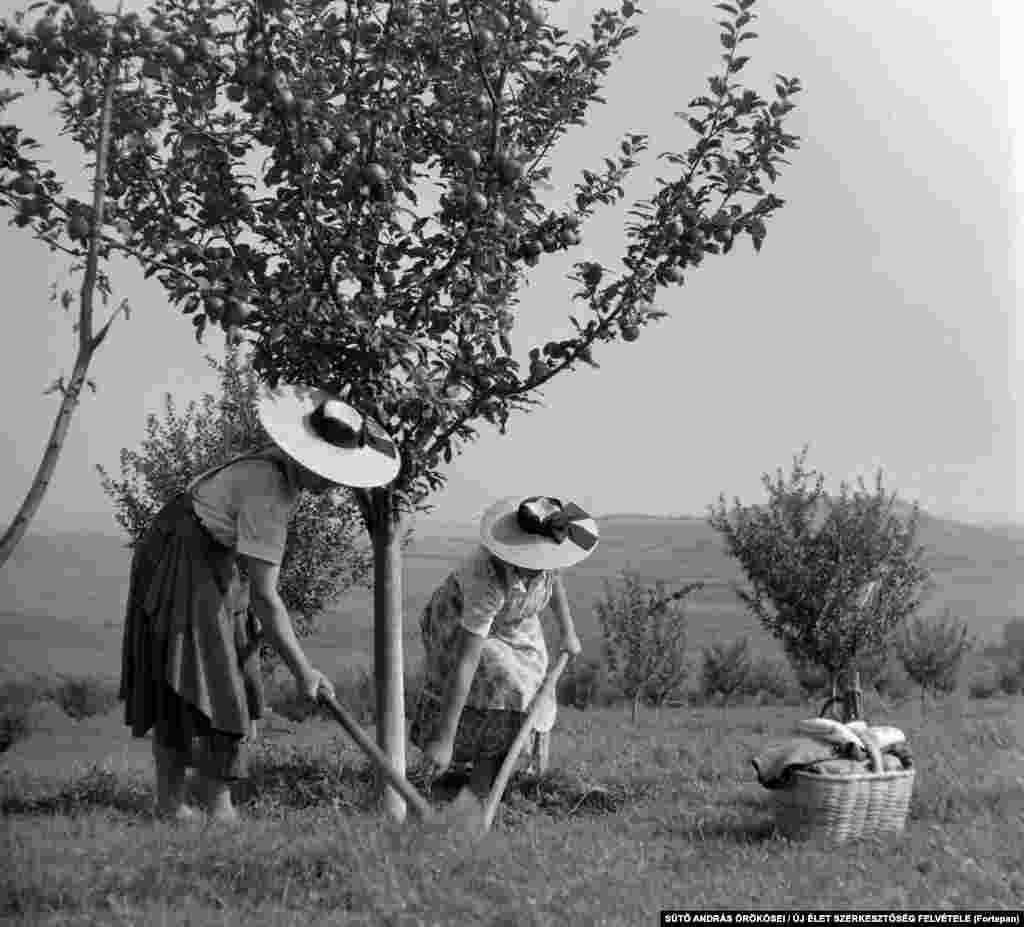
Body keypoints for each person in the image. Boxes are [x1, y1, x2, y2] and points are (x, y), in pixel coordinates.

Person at [119, 383, 400, 823]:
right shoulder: (269, 490)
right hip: (183, 561)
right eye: (330, 472)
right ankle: (197, 808)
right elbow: (267, 599)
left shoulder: (275, 473)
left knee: (230, 675)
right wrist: (304, 671)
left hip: (206, 556)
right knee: (204, 681)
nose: (333, 484)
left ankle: (190, 806)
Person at [410, 495, 599, 800]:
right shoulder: (485, 578)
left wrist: (569, 632)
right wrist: (443, 740)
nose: (539, 568)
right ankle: (475, 784)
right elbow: (466, 662)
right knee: (506, 682)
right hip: (459, 621)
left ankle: (495, 777)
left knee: (534, 684)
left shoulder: (545, 564)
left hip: (514, 621)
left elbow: (555, 582)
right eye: (531, 562)